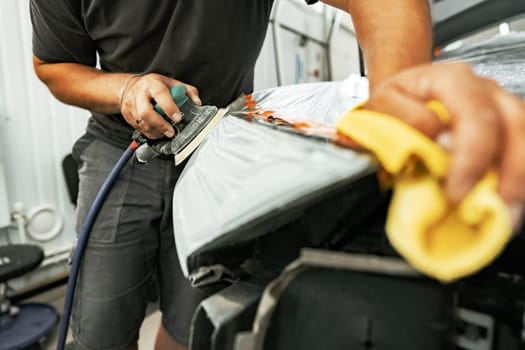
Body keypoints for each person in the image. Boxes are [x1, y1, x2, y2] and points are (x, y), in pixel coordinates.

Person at [30, 0, 525, 349]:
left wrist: (401, 105)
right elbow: (53, 66)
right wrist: (126, 89)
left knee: (190, 316)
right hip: (119, 145)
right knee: (99, 324)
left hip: (213, 140)